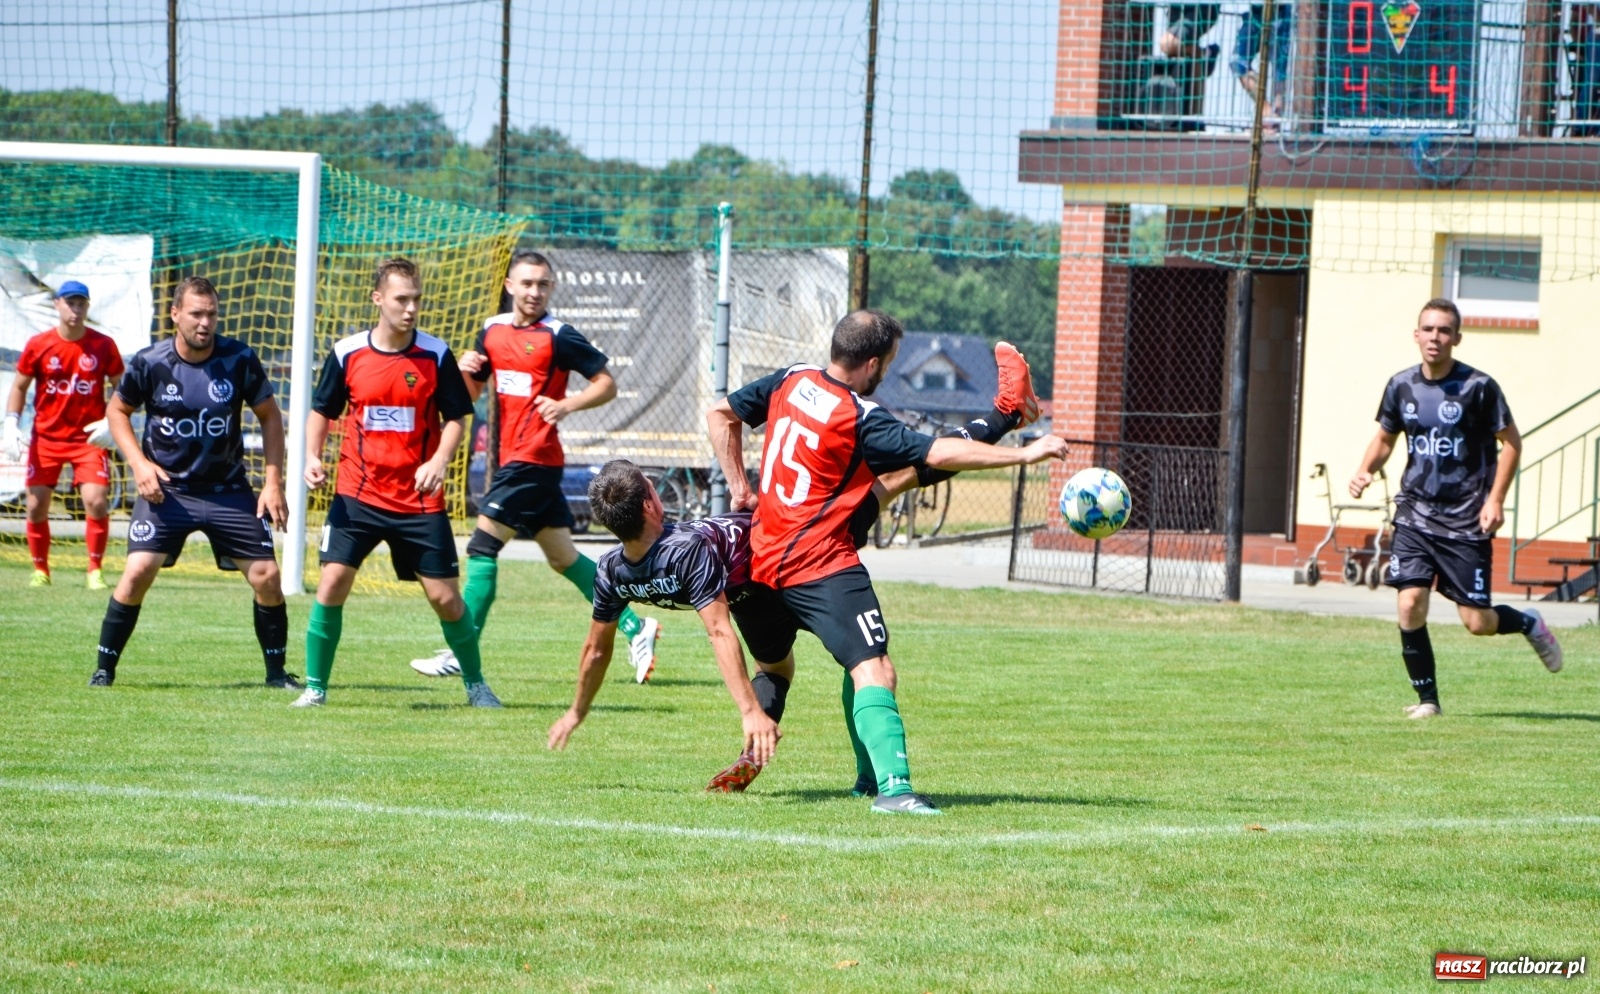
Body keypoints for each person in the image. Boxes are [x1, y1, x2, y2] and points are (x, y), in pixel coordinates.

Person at [547, 347, 1039, 793]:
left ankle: (764, 749)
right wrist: (748, 714)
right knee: (906, 472)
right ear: (653, 504)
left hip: (753, 591)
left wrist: (575, 711)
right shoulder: (688, 549)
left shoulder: (613, 569)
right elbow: (718, 635)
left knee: (778, 668)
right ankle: (1006, 412)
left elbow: (595, 650)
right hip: (796, 544)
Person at [707, 312, 1065, 815]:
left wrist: (740, 487)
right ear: (872, 363)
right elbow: (940, 452)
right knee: (873, 667)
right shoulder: (860, 417)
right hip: (820, 560)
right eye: (890, 363)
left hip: (763, 554)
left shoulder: (792, 378)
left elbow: (720, 414)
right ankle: (894, 789)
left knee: (776, 664)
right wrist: (1025, 457)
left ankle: (796, 760)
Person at [408, 250, 661, 684]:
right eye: (526, 283)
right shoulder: (491, 330)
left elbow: (606, 384)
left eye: (543, 284)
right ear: (509, 286)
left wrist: (567, 404)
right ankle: (637, 625)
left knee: (482, 548)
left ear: (552, 288)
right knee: (563, 558)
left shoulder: (558, 335)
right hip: (523, 463)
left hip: (531, 460)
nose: (534, 292)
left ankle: (458, 648)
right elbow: (468, 395)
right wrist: (465, 371)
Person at [293, 257, 498, 709]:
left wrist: (440, 460)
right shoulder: (347, 352)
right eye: (401, 299)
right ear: (378, 299)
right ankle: (315, 689)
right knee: (331, 584)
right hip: (357, 494)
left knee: (445, 598)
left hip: (417, 500)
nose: (410, 308)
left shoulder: (435, 354)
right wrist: (311, 456)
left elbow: (458, 417)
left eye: (416, 300)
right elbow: (321, 412)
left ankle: (477, 685)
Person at [1349, 297, 1562, 719]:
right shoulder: (1401, 385)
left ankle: (1528, 623)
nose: (1435, 337)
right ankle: (1428, 701)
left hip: (1466, 518)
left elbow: (1513, 443)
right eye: (1428, 329)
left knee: (1477, 622)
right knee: (1409, 601)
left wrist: (1495, 498)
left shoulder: (1479, 388)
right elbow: (1386, 438)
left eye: (1444, 330)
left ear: (1457, 338)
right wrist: (1364, 470)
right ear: (1416, 335)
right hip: (1415, 512)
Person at [88, 276, 295, 689]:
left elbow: (271, 417)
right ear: (175, 314)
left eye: (212, 314)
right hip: (167, 492)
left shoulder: (238, 358)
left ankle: (276, 675)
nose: (205, 322)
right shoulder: (150, 361)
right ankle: (104, 671)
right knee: (136, 572)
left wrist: (273, 483)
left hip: (228, 491)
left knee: (267, 577)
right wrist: (139, 464)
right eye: (196, 314)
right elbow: (117, 412)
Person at [3, 280, 124, 590]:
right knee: (34, 505)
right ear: (57, 304)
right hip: (46, 439)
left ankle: (95, 569)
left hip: (88, 439)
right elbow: (19, 386)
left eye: (81, 302)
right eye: (70, 302)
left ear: (88, 306)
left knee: (96, 502)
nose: (76, 308)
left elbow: (122, 388)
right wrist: (11, 424)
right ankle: (40, 570)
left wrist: (114, 421)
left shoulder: (103, 345)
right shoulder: (39, 344)